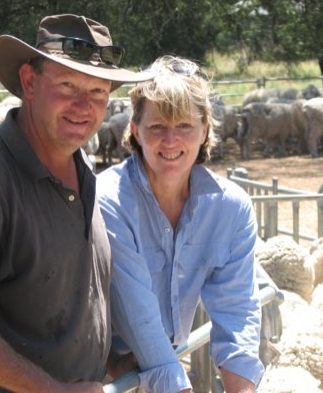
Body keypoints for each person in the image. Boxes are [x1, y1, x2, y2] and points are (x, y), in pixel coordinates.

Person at [0, 14, 152, 393]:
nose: (85, 105)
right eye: (67, 85)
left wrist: (113, 361)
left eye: (98, 92)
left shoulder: (81, 169)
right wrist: (52, 390)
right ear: (29, 82)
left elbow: (63, 300)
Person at [97, 55, 265, 393]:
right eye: (157, 126)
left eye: (185, 126)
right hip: (99, 374)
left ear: (205, 129)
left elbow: (237, 308)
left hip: (163, 367)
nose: (171, 141)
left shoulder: (230, 208)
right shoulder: (109, 201)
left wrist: (242, 388)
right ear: (135, 130)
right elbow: (138, 316)